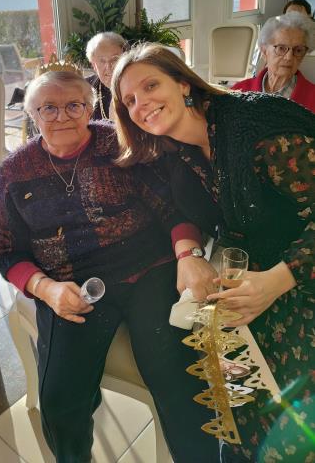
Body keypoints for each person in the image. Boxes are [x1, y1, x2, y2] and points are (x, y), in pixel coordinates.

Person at [0, 67, 219, 463]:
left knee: (176, 378)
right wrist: (46, 288)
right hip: (70, 283)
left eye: (74, 106)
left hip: (148, 268)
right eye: (48, 108)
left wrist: (188, 254)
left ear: (91, 106)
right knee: (61, 400)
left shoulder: (119, 143)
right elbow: (5, 249)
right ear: (31, 114)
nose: (62, 117)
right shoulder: (16, 170)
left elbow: (173, 207)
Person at [112, 42, 314, 462]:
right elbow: (175, 208)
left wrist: (277, 280)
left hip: (300, 277)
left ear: (184, 83)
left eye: (151, 86)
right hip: (248, 280)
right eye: (129, 100)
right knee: (236, 407)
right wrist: (188, 253)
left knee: (289, 432)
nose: (141, 104)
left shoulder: (259, 129)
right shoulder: (173, 147)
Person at [233, 12, 315, 112]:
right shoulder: (238, 92)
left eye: (298, 50)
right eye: (281, 48)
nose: (289, 57)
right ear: (264, 52)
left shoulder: (313, 98)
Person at [86, 31, 128, 120]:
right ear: (93, 65)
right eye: (102, 61)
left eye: (115, 59)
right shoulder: (84, 88)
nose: (109, 67)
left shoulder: (136, 84)